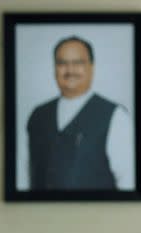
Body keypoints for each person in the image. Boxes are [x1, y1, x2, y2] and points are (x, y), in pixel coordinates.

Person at [24, 36, 134, 191]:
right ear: (54, 67)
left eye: (78, 63)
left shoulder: (116, 116)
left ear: (91, 67)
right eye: (62, 63)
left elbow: (127, 181)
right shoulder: (38, 115)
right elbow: (29, 175)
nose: (70, 70)